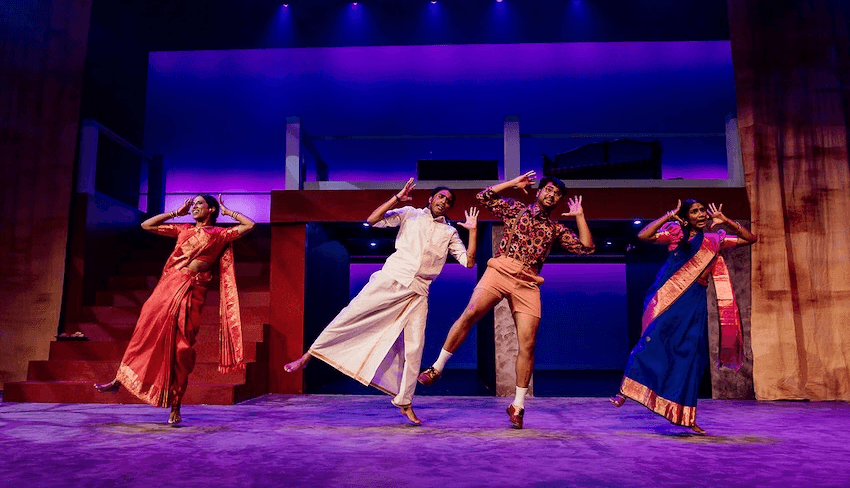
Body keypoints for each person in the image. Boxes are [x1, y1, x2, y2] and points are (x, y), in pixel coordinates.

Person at [283, 179, 479, 425]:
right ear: (430, 199)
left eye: (448, 201)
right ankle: (310, 355)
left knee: (415, 348)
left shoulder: (449, 232)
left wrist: (472, 232)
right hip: (391, 278)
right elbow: (373, 219)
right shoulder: (410, 214)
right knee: (351, 313)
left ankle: (404, 401)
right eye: (440, 196)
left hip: (419, 292)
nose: (444, 202)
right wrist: (397, 197)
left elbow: (469, 262)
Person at [418, 171, 595, 429]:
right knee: (469, 314)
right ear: (539, 191)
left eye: (556, 194)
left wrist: (579, 216)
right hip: (500, 270)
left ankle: (518, 405)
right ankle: (436, 368)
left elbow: (586, 248)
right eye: (548, 190)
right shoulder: (516, 209)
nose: (552, 195)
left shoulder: (555, 228)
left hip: (528, 282)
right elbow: (483, 197)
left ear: (558, 201)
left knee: (528, 343)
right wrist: (513, 183)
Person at [95, 194, 255, 425]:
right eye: (193, 204)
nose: (194, 207)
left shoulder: (220, 234)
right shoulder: (183, 229)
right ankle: (120, 378)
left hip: (193, 290)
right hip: (168, 286)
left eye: (199, 203)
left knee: (182, 350)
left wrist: (228, 212)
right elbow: (146, 225)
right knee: (145, 332)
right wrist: (175, 213)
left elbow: (249, 225)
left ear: (211, 209)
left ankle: (176, 405)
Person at [610, 199, 757, 434]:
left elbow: (751, 239)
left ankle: (685, 416)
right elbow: (644, 236)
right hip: (669, 298)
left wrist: (726, 221)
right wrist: (669, 215)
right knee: (652, 343)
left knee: (689, 357)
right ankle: (627, 388)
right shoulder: (676, 233)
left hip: (694, 302)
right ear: (686, 216)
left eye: (702, 211)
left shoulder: (715, 240)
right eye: (694, 211)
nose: (700, 214)